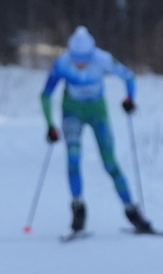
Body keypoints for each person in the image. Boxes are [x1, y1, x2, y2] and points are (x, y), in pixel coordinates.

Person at [42, 27, 156, 236]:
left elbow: (129, 77)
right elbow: (45, 95)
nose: (81, 64)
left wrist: (130, 99)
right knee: (74, 158)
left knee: (110, 162)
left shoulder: (102, 59)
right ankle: (78, 209)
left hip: (97, 112)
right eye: (77, 59)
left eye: (85, 58)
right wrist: (50, 125)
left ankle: (132, 211)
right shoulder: (62, 63)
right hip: (72, 113)